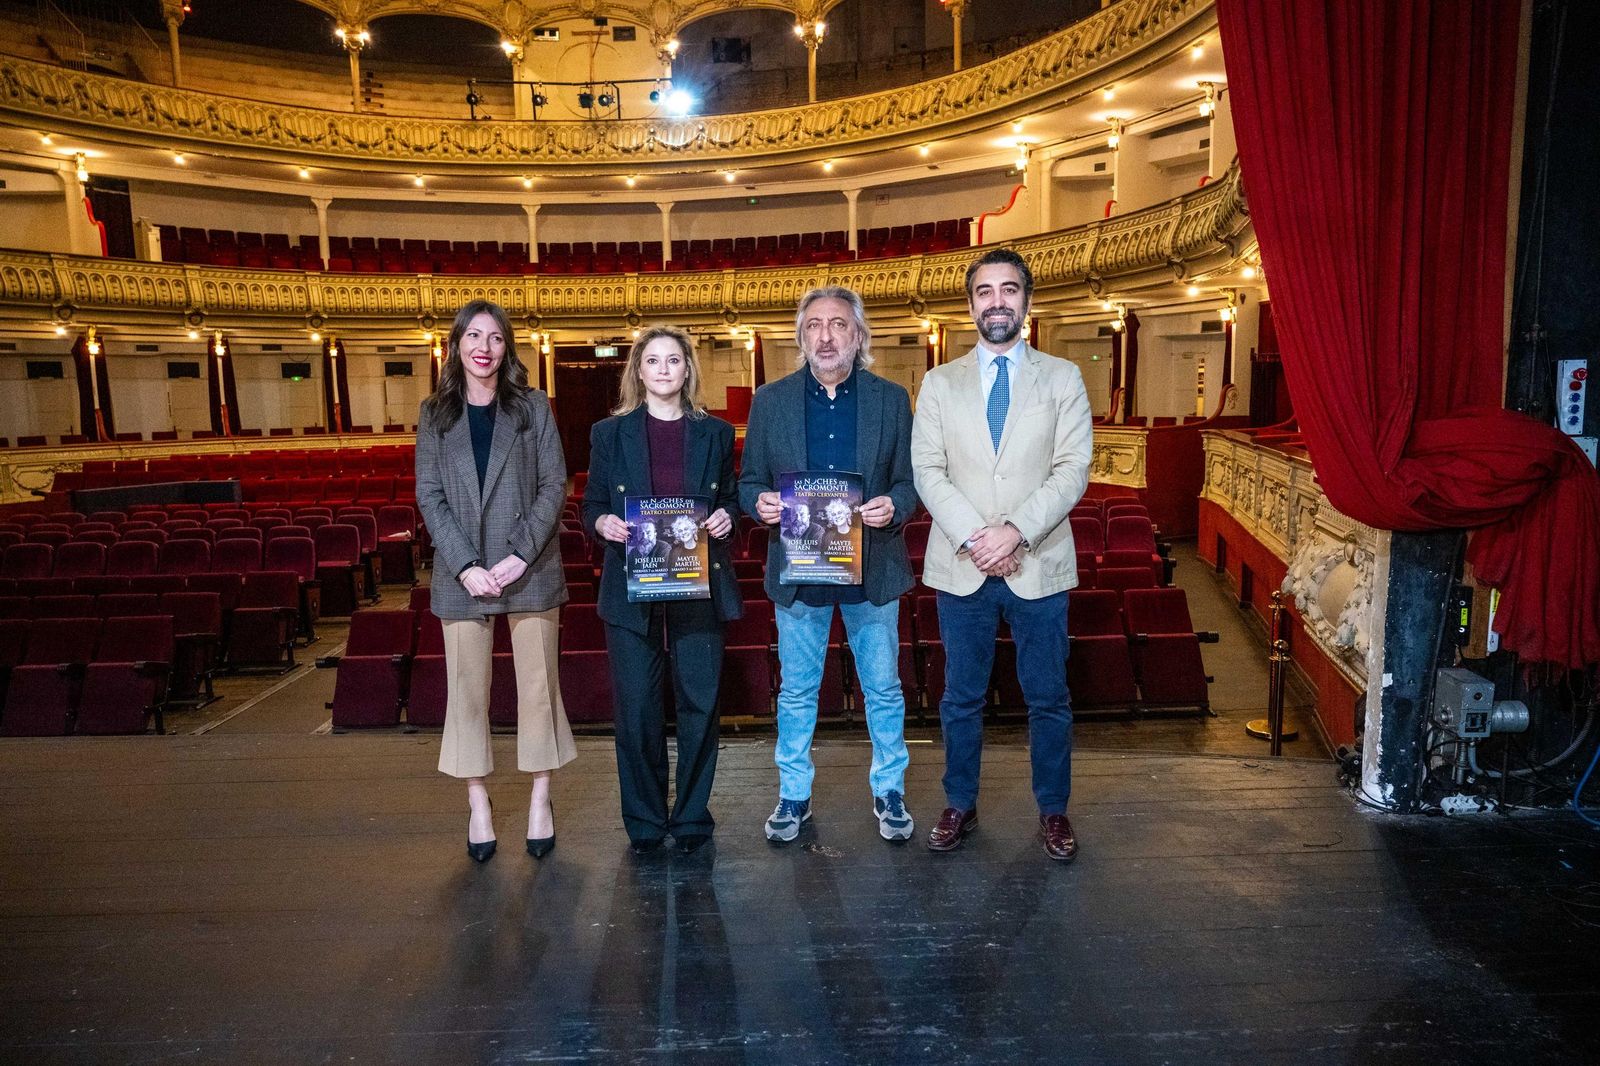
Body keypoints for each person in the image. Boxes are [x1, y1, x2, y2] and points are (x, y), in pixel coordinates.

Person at [910, 248, 1092, 862]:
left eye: (1008, 290)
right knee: (960, 697)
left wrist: (1014, 532)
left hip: (1038, 562)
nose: (996, 302)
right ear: (970, 306)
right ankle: (959, 802)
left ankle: (1054, 810)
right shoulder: (939, 382)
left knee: (1049, 698)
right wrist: (978, 538)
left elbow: (1072, 470)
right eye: (984, 292)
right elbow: (928, 471)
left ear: (1027, 301)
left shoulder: (1062, 377)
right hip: (963, 565)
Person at [739, 285, 919, 844]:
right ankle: (793, 795)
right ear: (801, 336)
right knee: (797, 692)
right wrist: (759, 503)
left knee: (883, 689)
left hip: (873, 571)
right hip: (800, 574)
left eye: (838, 324)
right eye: (814, 325)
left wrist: (894, 507)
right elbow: (748, 482)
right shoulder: (770, 401)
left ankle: (889, 789)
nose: (825, 336)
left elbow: (910, 482)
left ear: (858, 335)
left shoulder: (892, 399)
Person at [414, 299, 575, 864]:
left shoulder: (532, 406)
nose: (484, 347)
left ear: (507, 348)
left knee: (539, 690)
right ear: (457, 344)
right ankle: (477, 801)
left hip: (528, 568)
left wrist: (519, 556)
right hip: (463, 575)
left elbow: (554, 485)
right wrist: (465, 565)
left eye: (496, 338)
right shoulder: (434, 413)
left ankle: (540, 799)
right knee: (466, 693)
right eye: (474, 336)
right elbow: (430, 495)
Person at [584, 325, 739, 854]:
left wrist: (726, 518)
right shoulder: (609, 434)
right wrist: (602, 523)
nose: (664, 369)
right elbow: (592, 504)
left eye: (674, 360)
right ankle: (645, 821)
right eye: (653, 360)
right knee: (636, 709)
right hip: (632, 586)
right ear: (639, 371)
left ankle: (692, 815)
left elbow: (731, 499)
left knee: (700, 704)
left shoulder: (716, 433)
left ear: (687, 369)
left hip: (698, 584)